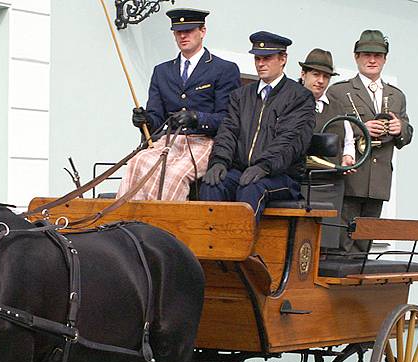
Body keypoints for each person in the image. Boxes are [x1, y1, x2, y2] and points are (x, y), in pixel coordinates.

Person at [117, 8, 241, 201]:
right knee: (136, 163)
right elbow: (156, 118)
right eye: (178, 32)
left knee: (173, 176)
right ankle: (127, 225)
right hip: (169, 141)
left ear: (202, 31)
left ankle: (162, 228)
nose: (183, 36)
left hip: (205, 142)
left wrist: (197, 118)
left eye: (189, 30)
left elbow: (228, 118)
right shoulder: (162, 71)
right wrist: (144, 120)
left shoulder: (224, 69)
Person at [198, 31, 315, 220]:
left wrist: (264, 166)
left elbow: (290, 140)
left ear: (283, 58)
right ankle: (210, 246)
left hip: (280, 175)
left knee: (251, 189)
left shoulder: (299, 97)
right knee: (213, 184)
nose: (260, 64)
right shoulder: (241, 95)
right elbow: (228, 131)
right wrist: (219, 161)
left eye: (267, 58)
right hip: (242, 170)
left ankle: (240, 248)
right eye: (257, 59)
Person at [329, 30, 413, 254]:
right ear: (356, 57)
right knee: (342, 245)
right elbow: (330, 131)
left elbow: (407, 132)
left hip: (379, 181)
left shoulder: (396, 96)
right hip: (351, 179)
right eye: (366, 54)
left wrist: (400, 129)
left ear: (385, 59)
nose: (372, 60)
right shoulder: (339, 91)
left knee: (364, 244)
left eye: (378, 55)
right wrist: (361, 129)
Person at [299, 48, 355, 169]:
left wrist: (347, 156)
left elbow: (348, 141)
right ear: (303, 74)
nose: (321, 81)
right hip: (297, 181)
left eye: (326, 77)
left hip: (332, 182)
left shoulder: (339, 108)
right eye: (316, 74)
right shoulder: (288, 103)